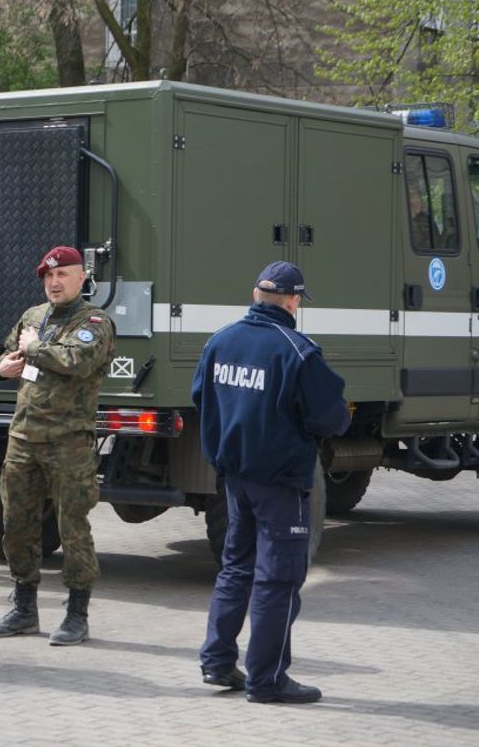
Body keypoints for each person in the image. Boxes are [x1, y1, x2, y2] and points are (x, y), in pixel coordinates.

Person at [192, 260, 350, 704]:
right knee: (277, 580)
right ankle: (267, 681)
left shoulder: (220, 341)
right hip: (281, 483)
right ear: (294, 300)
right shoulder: (297, 351)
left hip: (235, 478)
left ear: (256, 294)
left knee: (235, 568)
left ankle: (218, 662)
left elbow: (201, 397)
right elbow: (331, 417)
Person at [0, 245, 116, 646]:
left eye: (63, 275)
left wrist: (33, 347)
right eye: (48, 277)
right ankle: (24, 608)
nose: (54, 283)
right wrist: (2, 368)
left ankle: (77, 614)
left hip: (68, 442)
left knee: (72, 527)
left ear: (81, 278)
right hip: (24, 438)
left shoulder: (94, 321)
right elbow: (12, 354)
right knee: (18, 526)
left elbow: (76, 360)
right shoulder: (33, 317)